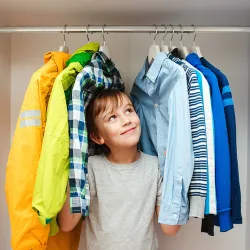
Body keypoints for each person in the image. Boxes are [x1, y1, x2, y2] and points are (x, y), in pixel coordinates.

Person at [58, 89, 181, 250]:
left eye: (128, 110)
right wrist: (75, 168)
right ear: (97, 137)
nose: (126, 120)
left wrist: (175, 169)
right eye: (112, 117)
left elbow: (170, 228)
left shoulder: (155, 166)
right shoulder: (91, 168)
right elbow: (66, 225)